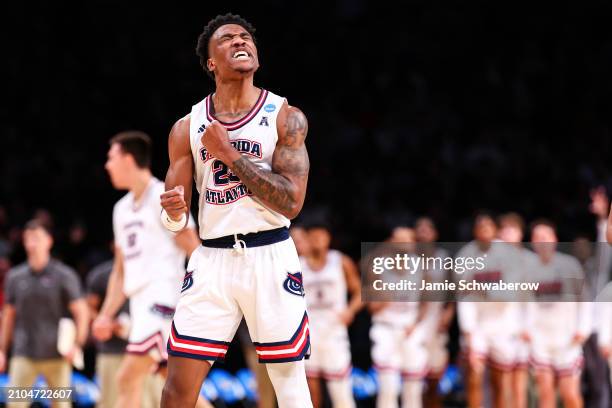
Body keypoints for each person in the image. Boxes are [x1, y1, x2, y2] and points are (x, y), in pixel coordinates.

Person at [159, 13, 312, 408]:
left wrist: (228, 154)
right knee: (176, 389)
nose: (240, 41)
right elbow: (174, 216)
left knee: (289, 385)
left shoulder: (284, 116)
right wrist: (174, 212)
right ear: (211, 62)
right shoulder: (186, 126)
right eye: (228, 39)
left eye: (245, 37)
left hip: (269, 253)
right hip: (211, 258)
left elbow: (291, 202)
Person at [92, 131, 202, 408]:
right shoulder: (121, 210)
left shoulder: (162, 197)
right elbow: (120, 271)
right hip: (140, 303)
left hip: (164, 297)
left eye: (111, 157)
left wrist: (206, 296)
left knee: (126, 379)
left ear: (128, 159)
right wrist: (106, 314)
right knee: (176, 387)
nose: (107, 165)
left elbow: (194, 249)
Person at [0, 219, 90, 408]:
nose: (32, 243)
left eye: (37, 238)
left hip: (57, 356)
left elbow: (82, 312)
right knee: (15, 404)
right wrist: (1, 350)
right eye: (28, 239)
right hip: (23, 354)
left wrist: (77, 344)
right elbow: (8, 317)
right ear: (24, 242)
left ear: (49, 241)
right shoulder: (15, 277)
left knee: (61, 404)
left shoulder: (64, 275)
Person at [456, 213, 521, 408]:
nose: (484, 229)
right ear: (475, 232)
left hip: (503, 323)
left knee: (500, 381)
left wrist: (482, 289)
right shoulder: (464, 256)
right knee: (474, 376)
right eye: (480, 226)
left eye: (488, 225)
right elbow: (464, 297)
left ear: (494, 229)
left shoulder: (508, 254)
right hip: (478, 325)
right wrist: (468, 332)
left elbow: (510, 292)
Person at [527, 220, 591, 408]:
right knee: (545, 395)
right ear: (532, 242)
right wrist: (526, 329)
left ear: (554, 239)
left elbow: (585, 300)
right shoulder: (528, 270)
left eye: (545, 236)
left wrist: (583, 329)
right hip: (541, 340)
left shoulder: (569, 265)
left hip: (567, 338)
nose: (542, 241)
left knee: (569, 394)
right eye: (537, 237)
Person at [87, 258, 166, 408]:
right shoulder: (102, 274)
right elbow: (89, 308)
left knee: (158, 400)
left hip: (152, 344)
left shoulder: (158, 268)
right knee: (114, 397)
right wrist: (106, 321)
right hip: (114, 349)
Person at [301, 223, 362, 408]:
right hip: (309, 334)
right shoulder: (298, 263)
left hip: (334, 333)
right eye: (313, 236)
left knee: (341, 393)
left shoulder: (340, 261)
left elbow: (360, 292)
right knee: (311, 393)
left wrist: (350, 311)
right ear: (307, 240)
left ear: (328, 239)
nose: (317, 240)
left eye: (321, 236)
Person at [369, 226, 428, 408]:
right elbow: (371, 307)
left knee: (414, 388)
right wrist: (381, 301)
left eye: (407, 239)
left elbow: (426, 301)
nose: (403, 243)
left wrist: (417, 322)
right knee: (389, 388)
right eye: (399, 239)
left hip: (410, 330)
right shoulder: (378, 265)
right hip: (386, 328)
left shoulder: (420, 266)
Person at [414, 217, 454, 408]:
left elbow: (454, 290)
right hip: (412, 321)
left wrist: (449, 313)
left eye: (427, 229)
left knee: (434, 379)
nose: (423, 232)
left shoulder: (444, 258)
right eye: (419, 229)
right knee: (414, 378)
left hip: (435, 319)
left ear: (435, 234)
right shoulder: (407, 258)